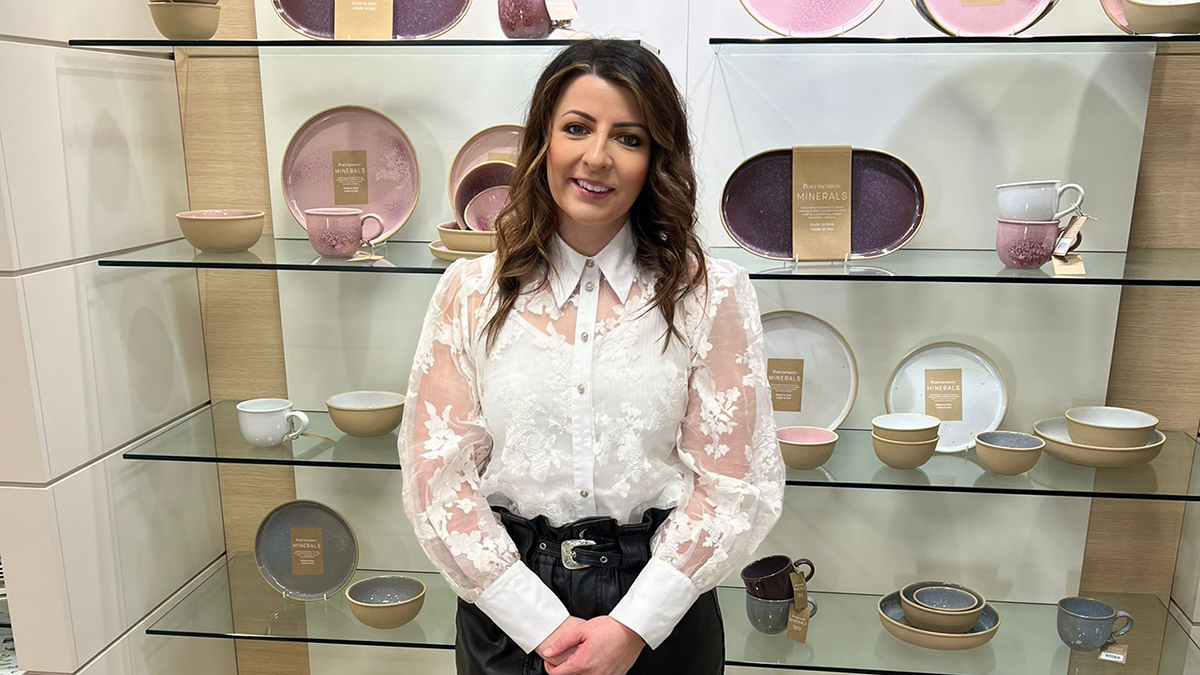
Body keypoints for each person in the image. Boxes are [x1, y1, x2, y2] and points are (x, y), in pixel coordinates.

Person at [400, 39, 784, 675]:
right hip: (507, 612)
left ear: (656, 157)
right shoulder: (470, 292)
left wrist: (633, 627)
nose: (597, 157)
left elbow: (734, 487)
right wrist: (540, 622)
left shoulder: (710, 293)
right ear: (543, 142)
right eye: (576, 128)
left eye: (629, 138)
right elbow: (436, 479)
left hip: (662, 610)